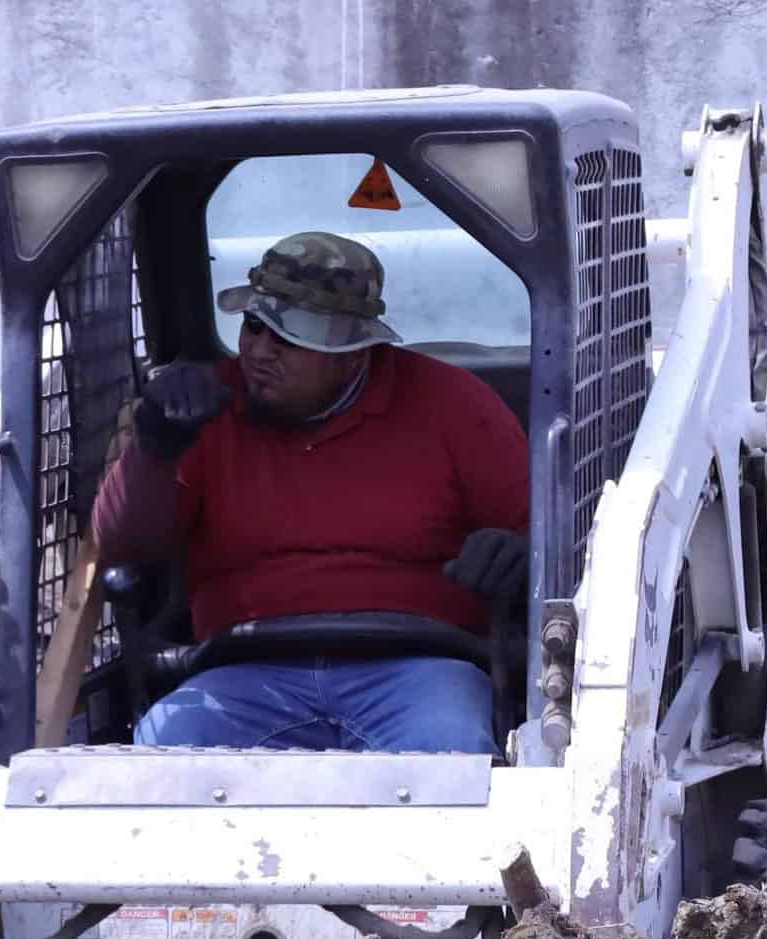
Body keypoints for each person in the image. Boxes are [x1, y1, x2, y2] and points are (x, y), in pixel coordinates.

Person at [90, 230, 530, 754]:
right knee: (162, 753)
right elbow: (120, 549)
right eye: (253, 327)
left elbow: (546, 536)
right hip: (244, 669)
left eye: (290, 339)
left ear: (352, 352)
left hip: (420, 668)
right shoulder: (205, 409)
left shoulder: (454, 406)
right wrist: (154, 447)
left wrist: (514, 554)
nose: (259, 352)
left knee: (449, 752)